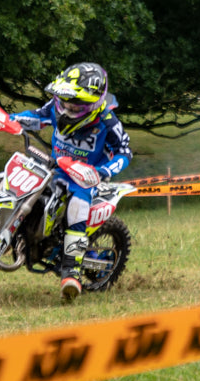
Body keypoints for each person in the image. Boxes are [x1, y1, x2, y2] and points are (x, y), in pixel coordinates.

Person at [10, 62, 132, 301]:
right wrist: (10, 119)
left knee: (77, 206)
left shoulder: (107, 121)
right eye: (65, 101)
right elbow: (38, 116)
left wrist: (104, 172)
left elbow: (125, 151)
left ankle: (71, 269)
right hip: (54, 168)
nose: (68, 108)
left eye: (75, 104)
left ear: (93, 103)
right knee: (20, 184)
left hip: (85, 177)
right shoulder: (56, 107)